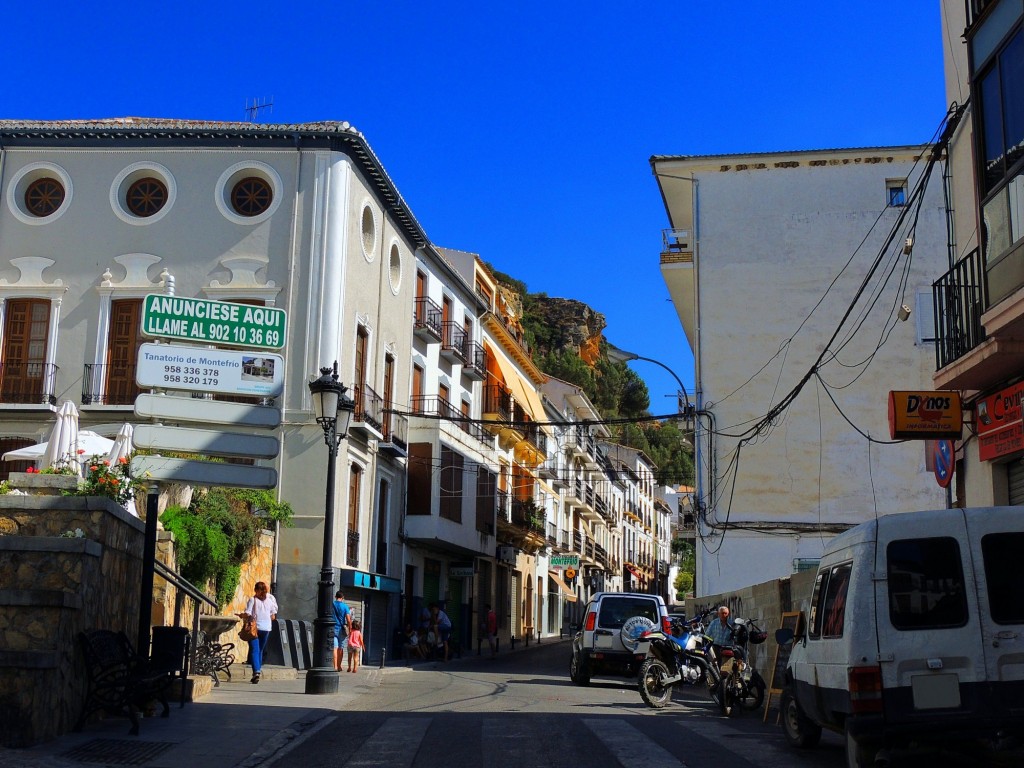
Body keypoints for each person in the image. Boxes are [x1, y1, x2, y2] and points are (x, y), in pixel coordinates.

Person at [238, 581, 278, 684]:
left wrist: (241, 615)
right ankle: (257, 671)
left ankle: (256, 672)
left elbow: (248, 613)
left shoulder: (253, 600)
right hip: (266, 629)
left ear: (256, 589)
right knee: (260, 650)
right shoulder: (270, 601)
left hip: (255, 628)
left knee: (254, 650)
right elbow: (273, 616)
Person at [332, 590, 352, 672]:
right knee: (340, 648)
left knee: (334, 648)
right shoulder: (345, 606)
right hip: (341, 629)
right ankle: (339, 666)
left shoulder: (331, 604)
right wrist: (350, 629)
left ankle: (335, 666)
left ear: (335, 597)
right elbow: (348, 619)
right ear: (342, 598)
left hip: (332, 628)